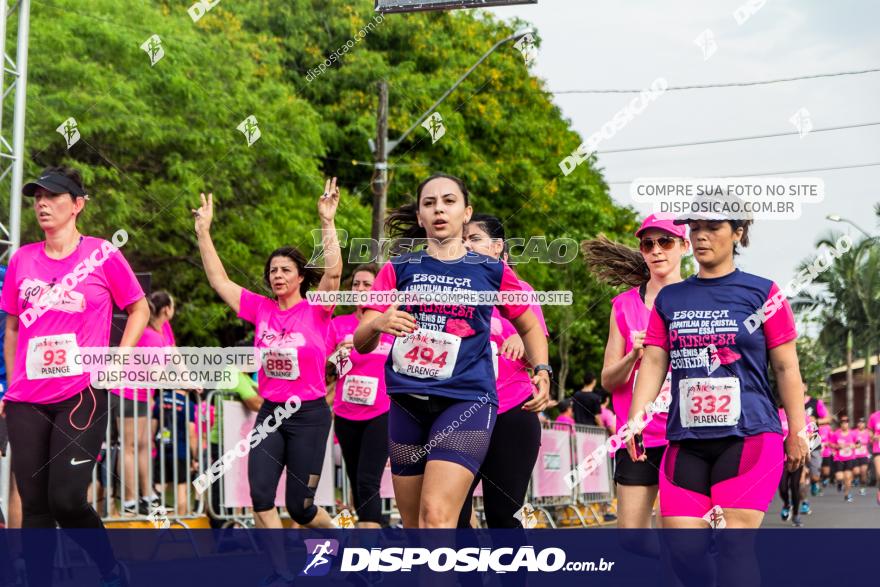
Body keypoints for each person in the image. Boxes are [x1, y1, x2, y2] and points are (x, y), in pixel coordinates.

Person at [353, 173, 551, 529]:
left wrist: (542, 369)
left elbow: (530, 325)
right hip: (407, 403)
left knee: (437, 515)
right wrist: (379, 323)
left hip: (466, 401)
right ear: (420, 217)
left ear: (465, 211)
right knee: (415, 526)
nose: (439, 209)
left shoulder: (492, 270)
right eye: (429, 204)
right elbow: (361, 339)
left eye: (448, 201)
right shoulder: (398, 268)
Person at [1, 166, 149, 587]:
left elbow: (138, 307)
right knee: (34, 506)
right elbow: (12, 328)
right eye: (36, 198)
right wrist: (12, 386)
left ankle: (110, 570)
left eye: (53, 197)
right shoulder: (23, 259)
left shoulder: (102, 254)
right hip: (28, 397)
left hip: (81, 392)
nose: (42, 204)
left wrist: (119, 358)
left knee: (65, 500)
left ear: (78, 204)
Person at [193, 179, 342, 584]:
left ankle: (343, 543)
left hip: (310, 415)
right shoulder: (260, 309)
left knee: (301, 507)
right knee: (260, 494)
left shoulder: (317, 309)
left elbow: (334, 271)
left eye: (285, 270)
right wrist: (204, 233)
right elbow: (219, 282)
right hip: (273, 413)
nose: (277, 275)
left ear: (299, 278)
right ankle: (282, 574)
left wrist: (327, 222)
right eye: (272, 270)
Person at [627, 211, 808, 533]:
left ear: (738, 233)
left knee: (732, 545)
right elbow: (654, 361)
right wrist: (636, 418)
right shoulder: (670, 298)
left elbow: (786, 366)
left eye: (713, 227)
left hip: (749, 435)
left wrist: (798, 431)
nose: (700, 236)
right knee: (683, 548)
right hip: (685, 438)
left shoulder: (763, 293)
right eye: (695, 228)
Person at [584, 214, 687, 530]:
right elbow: (607, 380)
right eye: (648, 243)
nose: (656, 250)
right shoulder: (624, 305)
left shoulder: (699, 299)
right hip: (636, 437)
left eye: (665, 242)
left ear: (685, 246)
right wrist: (634, 355)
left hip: (685, 436)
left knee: (680, 534)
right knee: (631, 537)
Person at [455, 213, 549, 529]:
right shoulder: (452, 290)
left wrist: (522, 339)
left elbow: (535, 337)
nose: (466, 244)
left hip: (511, 412)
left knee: (502, 517)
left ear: (498, 248)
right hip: (459, 414)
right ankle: (470, 577)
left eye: (475, 238)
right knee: (452, 514)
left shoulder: (520, 289)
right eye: (462, 239)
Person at [329, 263, 393, 528]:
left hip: (381, 412)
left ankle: (368, 559)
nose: (361, 289)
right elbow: (328, 371)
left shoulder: (391, 324)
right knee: (357, 484)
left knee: (368, 482)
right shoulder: (338, 325)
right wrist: (338, 357)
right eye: (356, 284)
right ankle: (371, 542)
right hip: (345, 414)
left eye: (368, 284)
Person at [110, 290, 174, 516]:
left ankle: (147, 495)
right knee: (129, 446)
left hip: (141, 394)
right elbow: (157, 374)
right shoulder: (151, 336)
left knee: (144, 444)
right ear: (166, 309)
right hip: (128, 392)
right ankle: (129, 499)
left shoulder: (159, 333)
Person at [153, 389, 198, 515]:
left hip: (162, 449)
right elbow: (191, 433)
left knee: (158, 487)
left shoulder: (160, 399)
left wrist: (153, 442)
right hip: (181, 450)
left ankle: (158, 526)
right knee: (181, 487)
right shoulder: (187, 404)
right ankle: (180, 525)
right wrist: (195, 456)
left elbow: (153, 424)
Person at [777, 406, 804, 526]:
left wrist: (806, 458)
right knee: (782, 488)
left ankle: (796, 515)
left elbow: (811, 436)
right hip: (780, 459)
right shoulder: (775, 412)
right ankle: (787, 504)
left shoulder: (800, 413)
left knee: (795, 486)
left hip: (797, 458)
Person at [831, 415, 857, 502]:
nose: (844, 424)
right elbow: (831, 444)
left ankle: (847, 494)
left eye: (846, 422)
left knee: (848, 477)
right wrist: (837, 446)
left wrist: (854, 445)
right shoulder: (836, 433)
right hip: (839, 458)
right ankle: (839, 483)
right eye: (842, 422)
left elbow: (859, 444)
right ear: (840, 424)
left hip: (850, 458)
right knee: (839, 477)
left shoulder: (853, 433)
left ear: (848, 424)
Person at [853, 418, 871, 496]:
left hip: (864, 455)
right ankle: (856, 478)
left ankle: (862, 488)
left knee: (863, 472)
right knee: (857, 471)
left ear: (865, 424)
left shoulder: (868, 433)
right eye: (859, 423)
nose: (860, 424)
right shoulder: (853, 432)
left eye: (862, 423)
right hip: (854, 455)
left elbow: (872, 442)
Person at [869, 408, 880, 505]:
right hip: (878, 449)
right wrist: (873, 437)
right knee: (879, 473)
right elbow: (870, 431)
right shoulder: (874, 416)